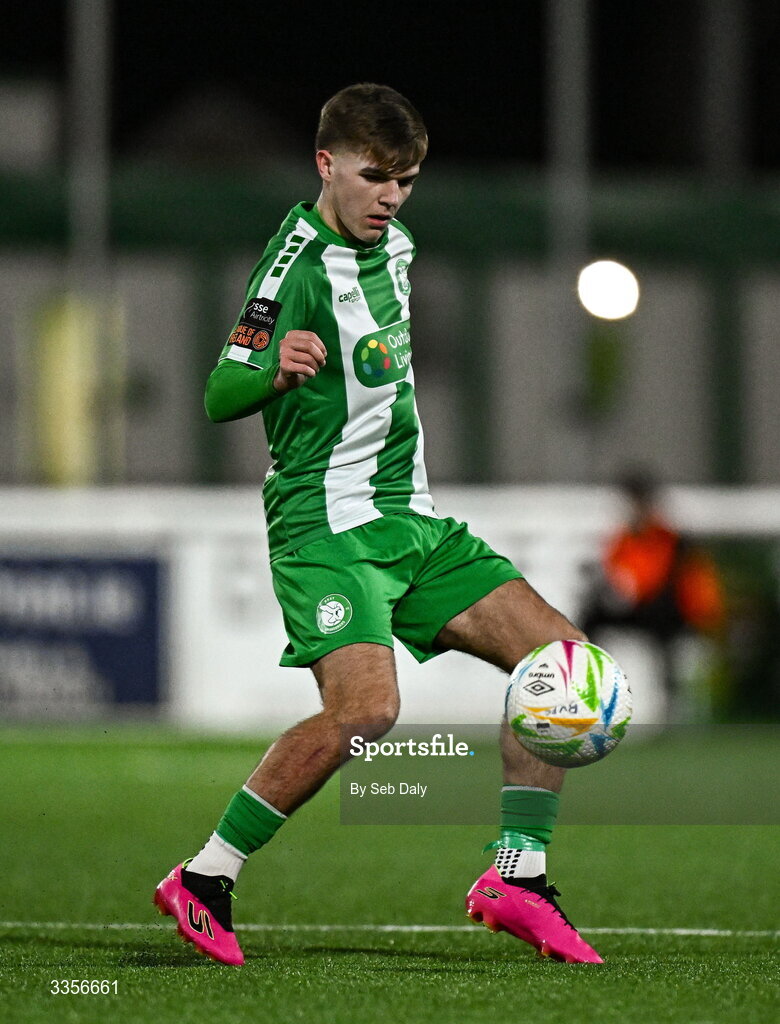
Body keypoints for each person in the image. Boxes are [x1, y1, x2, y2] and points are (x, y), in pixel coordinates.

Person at [155, 83, 603, 965]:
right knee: (368, 712)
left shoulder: (393, 246)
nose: (392, 196)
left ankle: (517, 873)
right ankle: (205, 875)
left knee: (568, 673)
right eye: (376, 177)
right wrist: (271, 372)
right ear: (328, 165)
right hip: (325, 529)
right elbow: (216, 393)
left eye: (407, 179)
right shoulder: (290, 267)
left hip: (412, 524)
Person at [582, 469, 725, 711]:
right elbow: (617, 576)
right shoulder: (624, 539)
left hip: (676, 612)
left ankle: (669, 705)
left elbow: (683, 586)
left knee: (664, 621)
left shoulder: (672, 539)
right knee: (591, 617)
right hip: (641, 608)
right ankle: (590, 690)